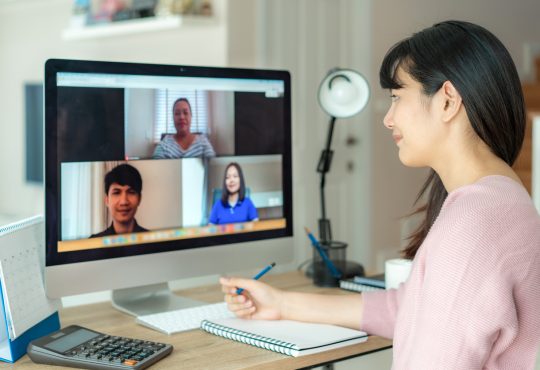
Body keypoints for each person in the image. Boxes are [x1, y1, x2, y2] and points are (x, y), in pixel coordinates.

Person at [220, 20, 540, 369]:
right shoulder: (505, 200)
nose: (388, 119)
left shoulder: (472, 225)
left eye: (397, 97)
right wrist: (282, 304)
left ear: (447, 101)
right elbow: (407, 308)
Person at [90, 164, 148, 237]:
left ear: (139, 199)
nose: (123, 202)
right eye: (116, 193)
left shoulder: (154, 242)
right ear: (107, 200)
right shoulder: (94, 243)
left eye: (131, 192)